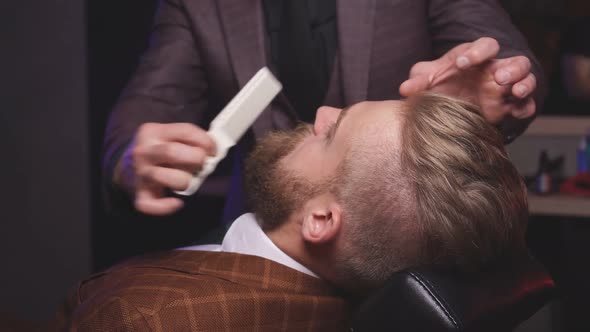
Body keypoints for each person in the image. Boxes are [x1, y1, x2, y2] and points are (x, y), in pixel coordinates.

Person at [102, 0, 543, 261]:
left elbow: (501, 52)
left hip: (405, 245)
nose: (324, 115)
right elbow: (150, 99)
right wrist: (129, 156)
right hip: (261, 242)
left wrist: (497, 87)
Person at [57, 93, 529, 330]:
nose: (322, 111)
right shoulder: (340, 299)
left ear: (321, 220)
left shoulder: (143, 318)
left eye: (333, 133)